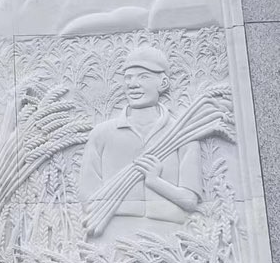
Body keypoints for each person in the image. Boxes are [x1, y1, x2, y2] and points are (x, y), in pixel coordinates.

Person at [80, 42, 202, 243]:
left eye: (143, 77)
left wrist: (155, 181)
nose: (133, 84)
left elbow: (190, 201)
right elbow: (88, 198)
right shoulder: (102, 134)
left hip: (170, 236)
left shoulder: (183, 135)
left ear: (163, 83)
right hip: (113, 235)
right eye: (128, 78)